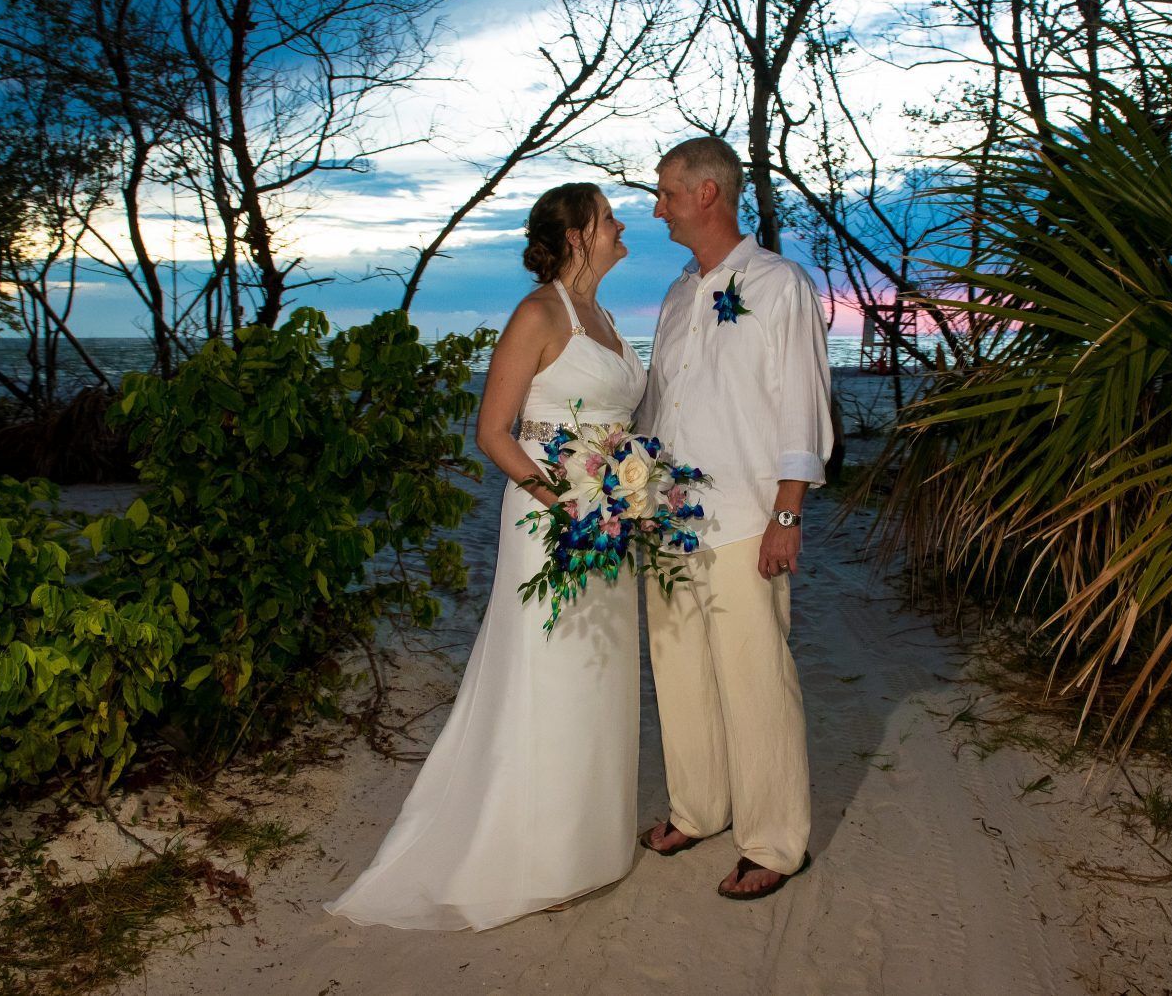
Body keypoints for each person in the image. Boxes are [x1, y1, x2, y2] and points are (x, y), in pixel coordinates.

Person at [327, 182, 646, 930]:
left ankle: (590, 843)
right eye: (608, 217)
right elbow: (494, 432)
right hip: (551, 519)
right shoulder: (538, 313)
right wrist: (562, 499)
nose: (622, 223)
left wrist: (637, 486)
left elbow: (618, 419)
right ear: (575, 234)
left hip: (609, 515)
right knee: (552, 670)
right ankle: (537, 854)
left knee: (600, 672)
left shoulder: (603, 316)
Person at [634, 136, 833, 900]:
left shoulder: (780, 284)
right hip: (669, 518)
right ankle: (699, 806)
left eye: (666, 192)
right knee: (678, 673)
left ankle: (777, 842)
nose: (658, 206)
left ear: (706, 193)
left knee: (756, 682)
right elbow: (661, 403)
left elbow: (802, 408)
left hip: (749, 514)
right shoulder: (680, 293)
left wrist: (788, 512)